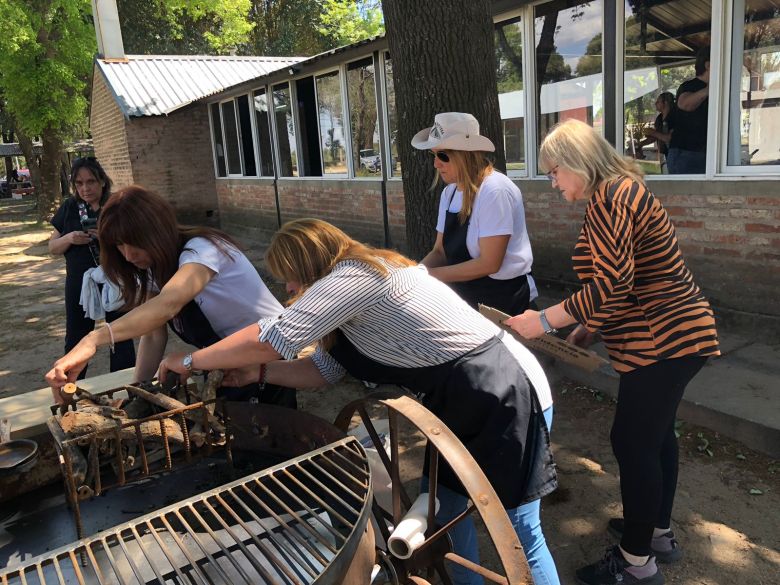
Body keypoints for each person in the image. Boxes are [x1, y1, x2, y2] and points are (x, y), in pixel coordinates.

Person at [157, 218, 561, 585]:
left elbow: (273, 336)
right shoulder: (346, 302)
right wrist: (257, 373)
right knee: (444, 518)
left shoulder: (357, 276)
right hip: (455, 401)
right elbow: (324, 371)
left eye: (289, 279)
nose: (288, 291)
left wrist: (192, 360)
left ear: (308, 266)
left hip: (502, 390)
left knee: (521, 528)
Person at [506, 120, 720, 585]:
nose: (553, 183)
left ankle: (636, 563)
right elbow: (623, 283)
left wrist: (542, 320)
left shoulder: (612, 198)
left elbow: (610, 284)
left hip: (662, 339)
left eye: (554, 172)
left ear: (576, 162)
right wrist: (591, 326)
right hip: (674, 336)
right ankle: (655, 532)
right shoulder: (620, 192)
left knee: (634, 441)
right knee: (656, 437)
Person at [46, 185, 295, 407]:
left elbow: (168, 303)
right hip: (225, 360)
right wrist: (138, 393)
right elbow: (154, 334)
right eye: (119, 246)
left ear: (158, 232)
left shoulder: (202, 251)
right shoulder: (152, 268)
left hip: (266, 354)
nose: (128, 255)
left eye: (134, 242)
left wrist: (92, 339)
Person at [415, 112, 536, 315]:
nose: (436, 163)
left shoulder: (494, 190)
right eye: (433, 155)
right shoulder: (450, 192)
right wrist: (415, 273)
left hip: (502, 300)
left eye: (443, 155)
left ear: (465, 154)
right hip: (465, 296)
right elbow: (440, 252)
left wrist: (429, 275)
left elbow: (489, 263)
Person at [48, 158, 135, 379]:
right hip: (79, 282)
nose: (85, 188)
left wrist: (107, 237)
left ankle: (124, 385)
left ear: (102, 181)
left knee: (120, 333)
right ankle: (71, 386)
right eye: (79, 183)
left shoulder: (117, 205)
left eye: (91, 182)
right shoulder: (70, 208)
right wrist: (69, 238)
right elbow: (53, 247)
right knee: (77, 335)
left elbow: (134, 243)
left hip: (116, 278)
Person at [667, 46, 710, 174]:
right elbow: (685, 104)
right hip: (686, 153)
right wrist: (710, 89)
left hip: (702, 153)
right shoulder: (689, 86)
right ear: (708, 65)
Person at [633, 92, 675, 170]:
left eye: (658, 101)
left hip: (675, 155)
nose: (655, 103)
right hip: (663, 155)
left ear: (665, 103)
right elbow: (656, 137)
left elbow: (669, 138)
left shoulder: (675, 117)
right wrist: (640, 144)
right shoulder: (659, 118)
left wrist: (652, 132)